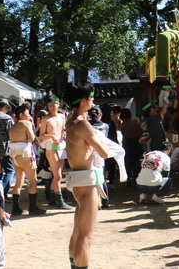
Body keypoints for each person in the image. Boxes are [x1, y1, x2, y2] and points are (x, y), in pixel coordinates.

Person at [64, 81, 110, 269]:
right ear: (83, 101)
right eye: (90, 98)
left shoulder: (71, 122)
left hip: (76, 177)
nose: (93, 101)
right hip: (86, 179)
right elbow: (105, 153)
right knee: (86, 234)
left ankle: (74, 265)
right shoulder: (83, 125)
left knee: (77, 231)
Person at [8, 104, 45, 216]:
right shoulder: (26, 123)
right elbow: (31, 138)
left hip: (14, 155)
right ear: (21, 115)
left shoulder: (13, 126)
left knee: (18, 182)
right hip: (25, 154)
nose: (29, 116)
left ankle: (15, 208)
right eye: (27, 114)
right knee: (33, 181)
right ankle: (33, 208)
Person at [39, 94, 71, 209]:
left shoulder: (62, 117)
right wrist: (52, 135)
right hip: (51, 147)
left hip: (61, 145)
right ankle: (60, 201)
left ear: (59, 104)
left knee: (58, 175)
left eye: (54, 105)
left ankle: (52, 199)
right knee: (57, 176)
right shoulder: (45, 119)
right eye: (50, 105)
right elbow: (41, 135)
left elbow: (63, 129)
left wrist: (64, 133)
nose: (52, 107)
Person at [120, 108, 143, 186]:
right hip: (135, 142)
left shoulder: (121, 125)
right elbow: (140, 133)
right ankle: (136, 178)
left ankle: (128, 179)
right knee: (136, 162)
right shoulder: (134, 123)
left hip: (126, 144)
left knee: (127, 163)